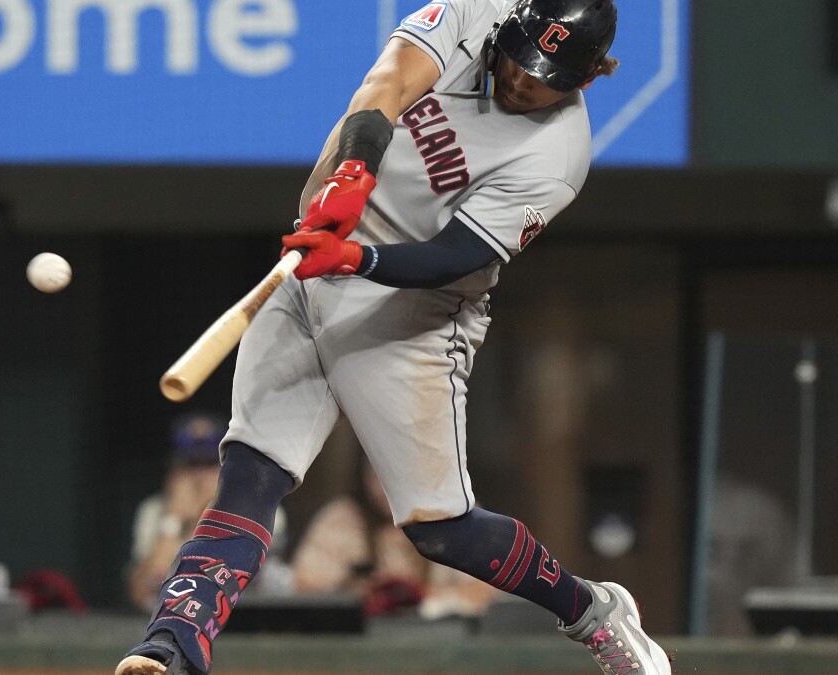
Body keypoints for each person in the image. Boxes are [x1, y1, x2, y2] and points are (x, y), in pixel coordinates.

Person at [115, 1, 672, 674]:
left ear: (586, 78)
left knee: (439, 530)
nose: (525, 80)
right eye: (522, 58)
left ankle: (591, 610)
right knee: (252, 470)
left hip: (414, 316)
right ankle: (174, 642)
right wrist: (351, 176)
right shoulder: (475, 12)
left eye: (547, 74)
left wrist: (355, 258)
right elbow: (386, 86)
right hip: (313, 264)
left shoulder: (558, 154)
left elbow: (451, 256)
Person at [291, 456, 498, 620]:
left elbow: (489, 592)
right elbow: (304, 590)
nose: (388, 487)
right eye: (378, 474)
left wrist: (414, 598)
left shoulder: (458, 517)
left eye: (399, 474)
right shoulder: (340, 521)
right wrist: (364, 597)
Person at [125, 412, 290, 611]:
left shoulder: (261, 511)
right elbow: (147, 593)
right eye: (191, 465)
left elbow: (222, 586)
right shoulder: (155, 511)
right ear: (174, 470)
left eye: (209, 464)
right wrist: (174, 519)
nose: (199, 477)